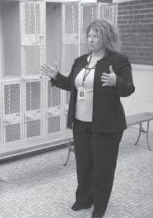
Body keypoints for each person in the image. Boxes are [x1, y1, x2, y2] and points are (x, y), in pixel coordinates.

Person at [41, 19, 135, 218]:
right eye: (89, 35)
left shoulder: (118, 60)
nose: (90, 39)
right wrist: (57, 77)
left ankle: (99, 207)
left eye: (96, 35)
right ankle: (84, 199)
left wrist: (115, 80)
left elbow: (128, 88)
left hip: (106, 125)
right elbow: (73, 85)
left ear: (106, 38)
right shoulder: (81, 60)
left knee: (103, 168)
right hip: (80, 123)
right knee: (84, 164)